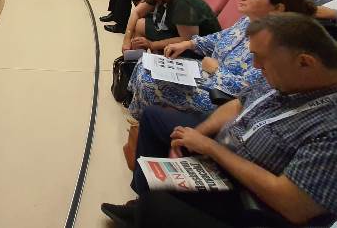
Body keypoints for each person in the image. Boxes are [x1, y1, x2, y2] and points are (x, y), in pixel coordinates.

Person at [102, 13, 337, 228]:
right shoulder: (285, 75)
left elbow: (292, 205)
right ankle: (141, 202)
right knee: (154, 117)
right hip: (228, 147)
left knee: (156, 205)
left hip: (253, 198)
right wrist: (200, 133)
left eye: (262, 59)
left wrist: (211, 149)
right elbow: (238, 104)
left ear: (305, 63)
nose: (256, 65)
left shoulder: (330, 128)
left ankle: (147, 208)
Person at [127, 0, 316, 120]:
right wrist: (189, 44)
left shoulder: (281, 45)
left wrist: (215, 70)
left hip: (223, 97)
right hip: (206, 73)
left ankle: (148, 124)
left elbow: (249, 90)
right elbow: (218, 38)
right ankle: (142, 117)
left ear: (278, 8)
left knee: (149, 81)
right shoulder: (247, 21)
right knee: (146, 63)